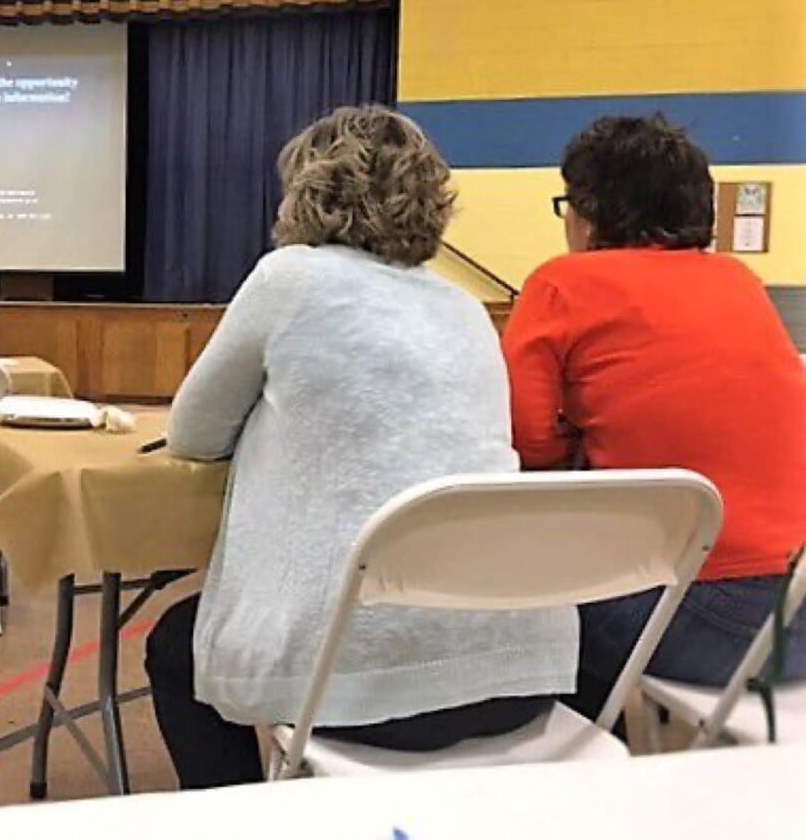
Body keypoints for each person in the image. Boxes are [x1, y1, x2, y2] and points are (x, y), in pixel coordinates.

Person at [145, 106, 578, 790]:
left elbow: (192, 433)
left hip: (358, 689)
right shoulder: (465, 308)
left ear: (306, 191)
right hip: (519, 673)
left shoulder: (288, 279)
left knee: (175, 647)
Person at [501, 114, 806, 722]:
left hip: (707, 623)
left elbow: (526, 445)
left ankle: (585, 768)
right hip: (795, 618)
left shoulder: (562, 284)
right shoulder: (738, 281)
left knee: (527, 604)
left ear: (588, 212)